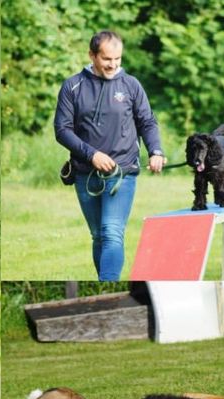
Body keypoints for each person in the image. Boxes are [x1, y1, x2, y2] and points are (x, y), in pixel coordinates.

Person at [54, 30, 165, 281]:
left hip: (122, 172)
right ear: (92, 55)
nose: (113, 65)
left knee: (112, 231)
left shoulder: (131, 85)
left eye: (117, 59)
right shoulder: (72, 86)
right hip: (85, 174)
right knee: (98, 236)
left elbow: (147, 122)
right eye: (107, 59)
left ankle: (108, 284)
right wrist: (91, 155)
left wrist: (155, 151)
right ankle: (106, 280)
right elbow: (62, 130)